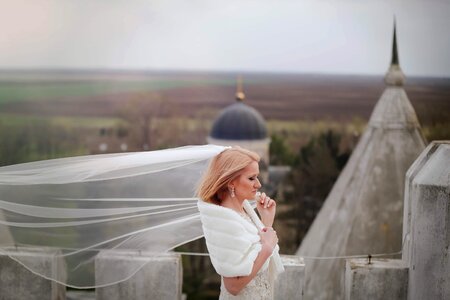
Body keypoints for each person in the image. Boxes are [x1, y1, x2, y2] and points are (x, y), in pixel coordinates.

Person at [196, 146, 281, 299]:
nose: (258, 184)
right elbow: (233, 286)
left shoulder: (244, 211)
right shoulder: (224, 221)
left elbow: (257, 249)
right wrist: (267, 249)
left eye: (257, 177)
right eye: (251, 178)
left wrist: (266, 221)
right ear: (231, 183)